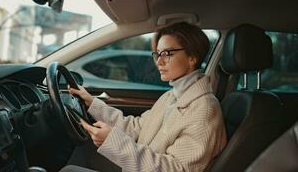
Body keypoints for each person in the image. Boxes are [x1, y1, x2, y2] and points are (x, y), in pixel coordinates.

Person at [61, 22, 227, 172]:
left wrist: (116, 144)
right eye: (157, 54)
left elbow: (176, 169)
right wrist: (92, 103)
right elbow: (137, 128)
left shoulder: (204, 111)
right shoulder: (171, 96)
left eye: (168, 53)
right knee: (82, 150)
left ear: (192, 58)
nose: (159, 62)